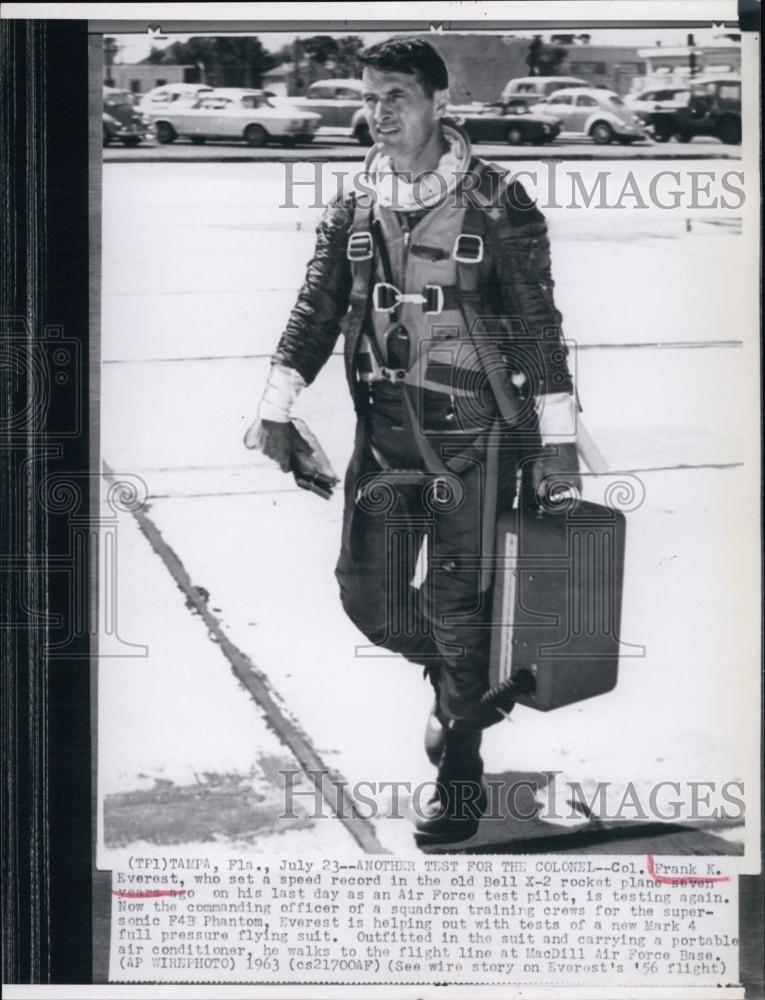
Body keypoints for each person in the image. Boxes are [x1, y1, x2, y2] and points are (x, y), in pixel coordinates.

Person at [245, 38, 580, 846]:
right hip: (386, 434)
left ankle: (458, 768)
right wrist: (276, 409)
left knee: (457, 607)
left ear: (437, 102)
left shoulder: (498, 201)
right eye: (370, 96)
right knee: (370, 600)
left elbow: (537, 329)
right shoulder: (355, 203)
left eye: (396, 95)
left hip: (477, 440)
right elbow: (316, 310)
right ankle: (462, 685)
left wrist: (557, 441)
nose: (379, 112)